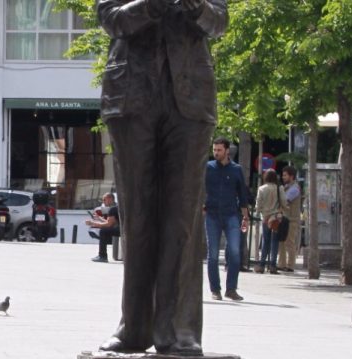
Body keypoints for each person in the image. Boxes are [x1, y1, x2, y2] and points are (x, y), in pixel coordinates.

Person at [96, 0, 228, 355]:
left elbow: (219, 21)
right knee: (137, 217)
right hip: (130, 96)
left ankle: (180, 329)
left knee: (182, 219)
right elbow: (111, 18)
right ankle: (134, 327)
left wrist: (196, 6)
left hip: (191, 99)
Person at [204, 138, 249, 301]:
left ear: (227, 151)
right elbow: (199, 189)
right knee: (213, 254)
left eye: (219, 150)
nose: (216, 153)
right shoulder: (208, 168)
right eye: (214, 150)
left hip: (231, 215)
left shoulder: (236, 170)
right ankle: (215, 289)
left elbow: (242, 195)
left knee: (235, 252)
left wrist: (245, 216)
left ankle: (231, 289)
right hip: (212, 215)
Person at [254, 169, 287, 274]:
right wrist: (284, 209)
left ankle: (262, 265)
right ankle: (273, 265)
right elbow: (284, 202)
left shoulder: (261, 189)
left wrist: (258, 213)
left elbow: (258, 204)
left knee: (265, 241)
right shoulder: (279, 188)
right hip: (276, 218)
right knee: (275, 242)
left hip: (265, 218)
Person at [278, 165, 301, 272]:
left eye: (285, 175)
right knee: (281, 242)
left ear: (291, 176)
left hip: (292, 220)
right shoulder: (287, 187)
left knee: (289, 242)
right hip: (284, 218)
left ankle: (290, 265)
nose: (283, 177)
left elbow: (285, 201)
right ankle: (281, 264)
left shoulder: (294, 189)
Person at [86, 193, 120, 262]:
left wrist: (93, 223)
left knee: (103, 231)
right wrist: (99, 218)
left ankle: (102, 256)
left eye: (104, 200)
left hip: (122, 230)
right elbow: (113, 223)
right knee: (105, 230)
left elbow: (108, 225)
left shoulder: (113, 209)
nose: (103, 202)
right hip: (125, 229)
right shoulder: (117, 208)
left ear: (110, 199)